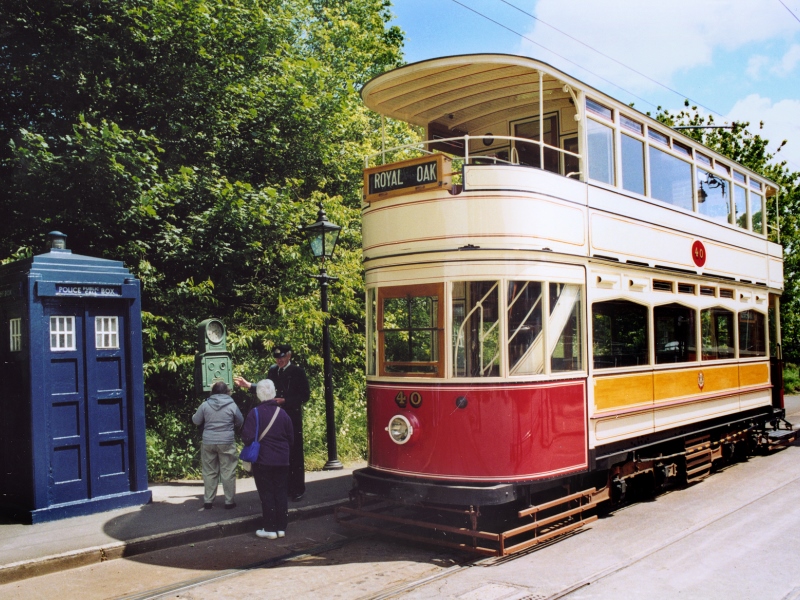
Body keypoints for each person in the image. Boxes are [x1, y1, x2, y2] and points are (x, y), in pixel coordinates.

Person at [234, 344, 310, 501]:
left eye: (282, 357)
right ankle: (284, 488)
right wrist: (249, 385)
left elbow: (305, 395)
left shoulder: (297, 372)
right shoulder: (273, 370)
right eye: (277, 358)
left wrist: (286, 400)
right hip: (274, 415)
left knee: (294, 452)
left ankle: (297, 489)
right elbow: (265, 388)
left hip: (291, 417)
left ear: (289, 356)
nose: (279, 360)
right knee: (279, 451)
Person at [241, 379, 294, 539]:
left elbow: (247, 437)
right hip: (282, 460)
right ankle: (281, 528)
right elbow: (291, 438)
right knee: (281, 492)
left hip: (263, 460)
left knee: (267, 493)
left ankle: (270, 529)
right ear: (274, 393)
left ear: (258, 395)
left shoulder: (254, 413)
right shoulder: (283, 413)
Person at [192, 381, 244, 509]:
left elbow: (196, 420)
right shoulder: (232, 405)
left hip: (209, 441)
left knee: (209, 472)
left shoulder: (205, 405)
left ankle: (208, 501)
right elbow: (240, 420)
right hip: (226, 441)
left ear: (213, 392)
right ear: (227, 391)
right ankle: (229, 502)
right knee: (228, 471)